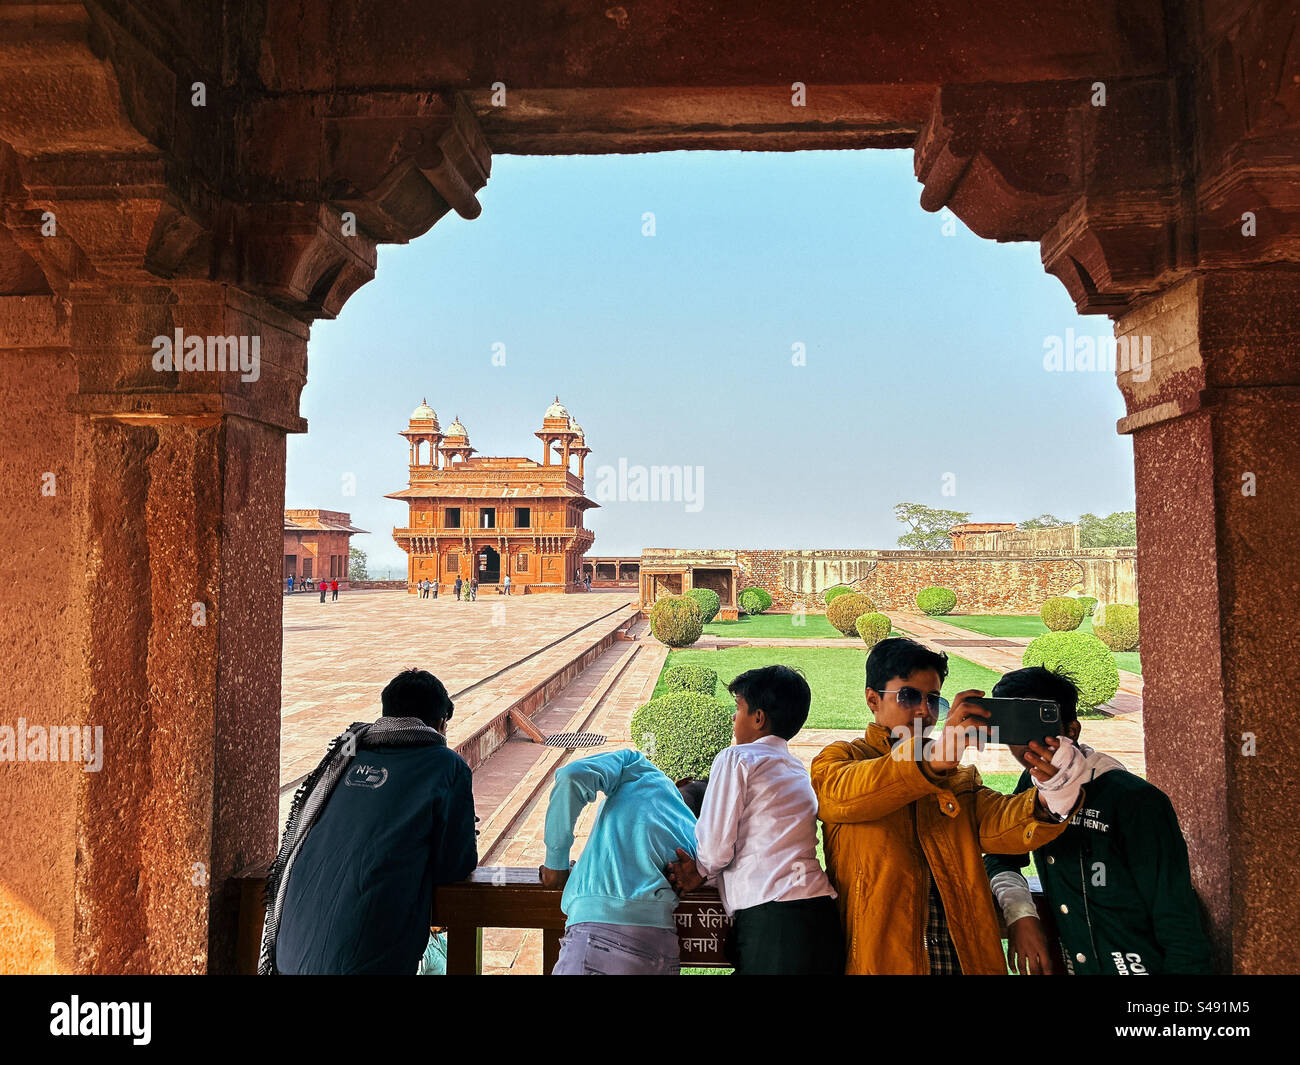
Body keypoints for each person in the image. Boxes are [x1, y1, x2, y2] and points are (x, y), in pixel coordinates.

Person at [811, 637, 1084, 975]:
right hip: (881, 962)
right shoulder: (841, 760)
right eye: (909, 696)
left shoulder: (960, 780)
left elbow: (1005, 827)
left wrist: (1051, 792)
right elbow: (841, 796)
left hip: (963, 962)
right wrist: (933, 759)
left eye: (934, 700)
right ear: (872, 699)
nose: (924, 711)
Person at [984, 666, 1213, 975]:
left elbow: (1178, 926)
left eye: (1034, 724)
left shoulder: (1136, 801)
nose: (1025, 745)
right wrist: (1022, 915)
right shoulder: (1031, 785)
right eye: (1012, 728)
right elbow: (1000, 857)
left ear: (1072, 730)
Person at [260, 668, 477, 974]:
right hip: (367, 956)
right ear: (441, 723)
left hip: (290, 951)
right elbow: (454, 865)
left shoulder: (346, 755)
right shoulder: (446, 765)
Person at [666, 665, 843, 975]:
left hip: (774, 919)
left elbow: (717, 845)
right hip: (820, 916)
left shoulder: (737, 758)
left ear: (758, 718)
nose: (734, 718)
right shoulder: (796, 768)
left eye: (739, 708)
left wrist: (700, 870)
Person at [541, 749, 699, 975]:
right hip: (662, 949)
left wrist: (555, 864)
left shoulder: (637, 767)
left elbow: (572, 775)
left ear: (679, 782)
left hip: (598, 941)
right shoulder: (698, 841)